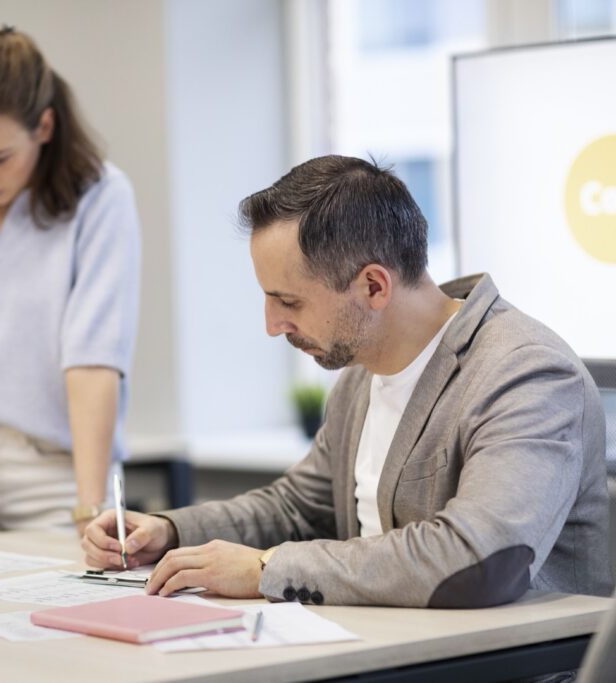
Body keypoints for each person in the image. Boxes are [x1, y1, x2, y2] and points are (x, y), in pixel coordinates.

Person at [83, 155, 612, 607]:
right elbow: (297, 507)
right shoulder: (363, 372)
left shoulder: (526, 372)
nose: (273, 326)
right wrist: (172, 533)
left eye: (289, 301)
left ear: (374, 285)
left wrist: (269, 568)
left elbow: (480, 557)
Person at [0, 27, 141, 534]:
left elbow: (93, 359)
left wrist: (91, 509)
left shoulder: (100, 199)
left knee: (64, 607)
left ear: (45, 126)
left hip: (56, 473)